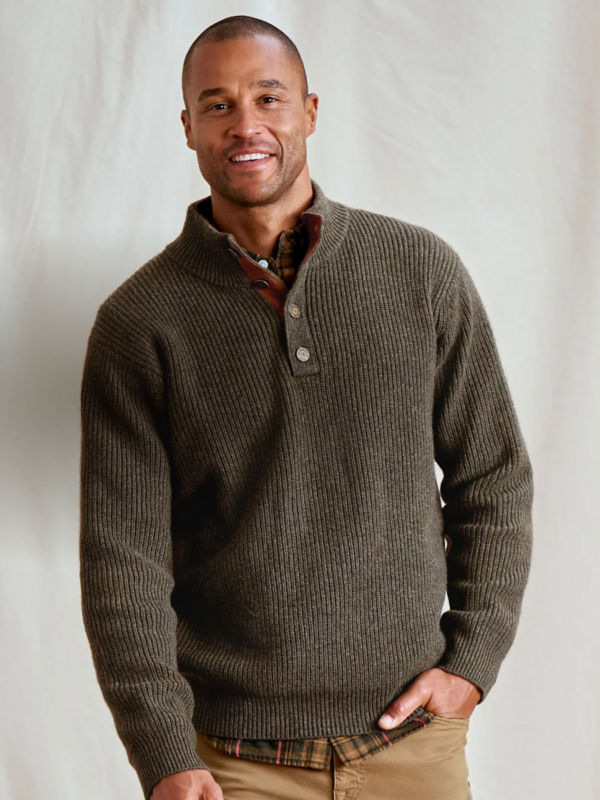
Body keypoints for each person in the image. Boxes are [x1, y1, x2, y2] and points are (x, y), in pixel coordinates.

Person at [79, 15, 533, 800]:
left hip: (410, 745)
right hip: (230, 762)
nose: (245, 125)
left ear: (311, 110)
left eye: (268, 97)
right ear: (187, 127)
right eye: (217, 105)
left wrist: (472, 664)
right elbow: (123, 558)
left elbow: (491, 478)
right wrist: (162, 751)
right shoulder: (140, 322)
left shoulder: (419, 270)